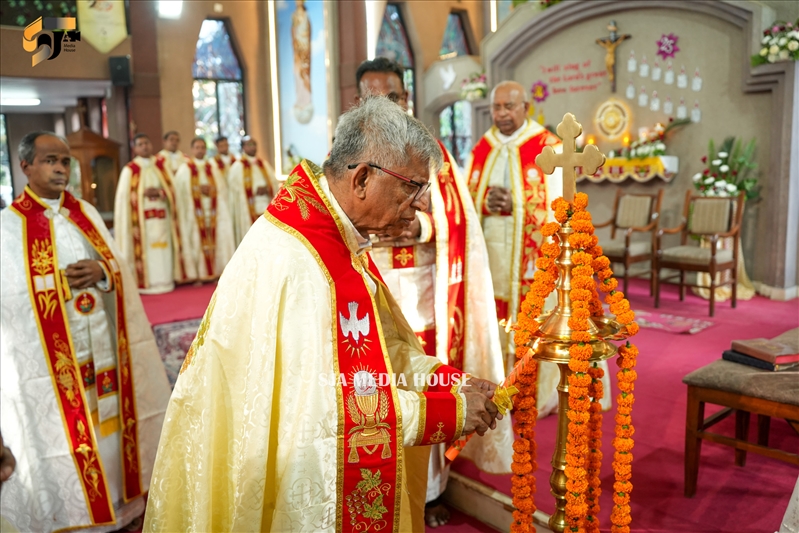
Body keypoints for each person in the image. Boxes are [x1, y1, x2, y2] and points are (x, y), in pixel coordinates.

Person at [143, 97, 504, 533]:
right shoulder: (300, 261)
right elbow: (327, 408)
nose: (422, 205)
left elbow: (373, 352)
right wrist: (450, 412)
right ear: (363, 178)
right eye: (413, 187)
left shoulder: (335, 233)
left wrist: (447, 381)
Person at [355, 57, 513, 528]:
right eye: (371, 98)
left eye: (392, 97)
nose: (383, 106)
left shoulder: (430, 150)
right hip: (369, 288)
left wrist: (419, 225)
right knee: (373, 387)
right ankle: (373, 487)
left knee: (421, 385)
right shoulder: (347, 151)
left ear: (406, 99)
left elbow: (458, 217)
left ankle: (429, 491)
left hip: (424, 294)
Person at [0, 132, 171, 533]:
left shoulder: (86, 214)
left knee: (110, 423)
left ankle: (122, 501)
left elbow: (117, 266)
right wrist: (52, 287)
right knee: (71, 434)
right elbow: (10, 298)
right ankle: (79, 514)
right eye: (50, 161)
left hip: (103, 346)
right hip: (55, 362)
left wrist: (103, 271)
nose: (60, 169)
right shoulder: (8, 227)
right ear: (25, 166)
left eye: (65, 161)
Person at [466, 81, 611, 416]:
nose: (502, 113)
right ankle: (497, 382)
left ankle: (537, 390)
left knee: (534, 315)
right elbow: (467, 200)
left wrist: (516, 204)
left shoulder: (547, 146)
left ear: (525, 107)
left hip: (533, 259)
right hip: (491, 255)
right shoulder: (482, 148)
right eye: (496, 107)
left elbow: (561, 205)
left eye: (509, 106)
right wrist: (485, 202)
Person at [114, 133, 185, 294]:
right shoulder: (130, 170)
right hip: (141, 222)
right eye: (140, 144)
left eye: (146, 143)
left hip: (162, 218)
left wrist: (160, 192)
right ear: (135, 148)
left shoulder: (161, 166)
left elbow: (173, 191)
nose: (144, 146)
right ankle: (147, 282)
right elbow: (124, 199)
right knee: (148, 251)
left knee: (163, 249)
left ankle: (166, 279)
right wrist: (142, 193)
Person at [174, 137, 235, 282]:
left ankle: (216, 271)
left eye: (202, 147)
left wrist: (211, 189)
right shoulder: (185, 169)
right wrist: (196, 189)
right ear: (192, 149)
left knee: (216, 240)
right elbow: (180, 193)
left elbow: (222, 190)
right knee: (195, 240)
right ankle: (198, 274)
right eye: (197, 147)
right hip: (193, 213)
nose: (200, 150)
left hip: (213, 212)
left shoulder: (212, 168)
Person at [228, 135, 280, 245]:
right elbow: (235, 192)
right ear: (243, 147)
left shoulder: (264, 164)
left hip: (266, 208)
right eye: (249, 144)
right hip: (248, 210)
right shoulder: (237, 167)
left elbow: (274, 184)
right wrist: (253, 191)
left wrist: (267, 188)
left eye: (254, 144)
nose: (253, 147)